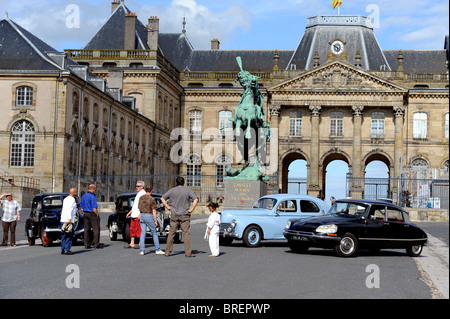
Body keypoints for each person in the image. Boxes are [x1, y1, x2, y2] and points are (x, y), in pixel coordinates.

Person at [160, 176, 198, 257]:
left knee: (171, 233)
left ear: (176, 183)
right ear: (183, 183)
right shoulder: (187, 190)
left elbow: (162, 198)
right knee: (186, 233)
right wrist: (192, 209)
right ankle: (188, 252)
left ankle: (167, 251)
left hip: (174, 214)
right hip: (184, 214)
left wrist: (168, 207)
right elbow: (195, 199)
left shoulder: (172, 190)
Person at [137, 185, 165, 256]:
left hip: (142, 215)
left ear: (145, 190)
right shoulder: (152, 199)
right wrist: (155, 221)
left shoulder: (141, 198)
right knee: (154, 232)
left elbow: (139, 207)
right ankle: (157, 249)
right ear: (151, 191)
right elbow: (154, 211)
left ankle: (142, 250)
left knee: (143, 233)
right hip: (149, 215)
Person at [125, 180, 145, 249]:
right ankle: (132, 243)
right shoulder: (138, 193)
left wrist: (141, 213)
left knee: (139, 229)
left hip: (138, 215)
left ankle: (140, 243)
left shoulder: (143, 193)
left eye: (138, 186)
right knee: (132, 229)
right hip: (134, 214)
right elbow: (135, 205)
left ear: (142, 187)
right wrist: (130, 212)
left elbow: (143, 205)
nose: (137, 187)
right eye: (136, 186)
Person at [80, 184, 102, 249]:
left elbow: (80, 206)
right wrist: (97, 214)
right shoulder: (92, 197)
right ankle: (96, 243)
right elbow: (94, 208)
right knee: (96, 229)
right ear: (93, 189)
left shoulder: (83, 196)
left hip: (85, 213)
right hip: (92, 213)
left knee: (86, 229)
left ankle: (87, 244)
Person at [60, 188, 78, 255]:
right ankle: (67, 249)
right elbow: (70, 209)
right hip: (68, 219)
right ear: (75, 193)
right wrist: (69, 219)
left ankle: (63, 248)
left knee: (64, 234)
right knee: (69, 234)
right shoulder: (72, 200)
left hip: (63, 219)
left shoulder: (66, 199)